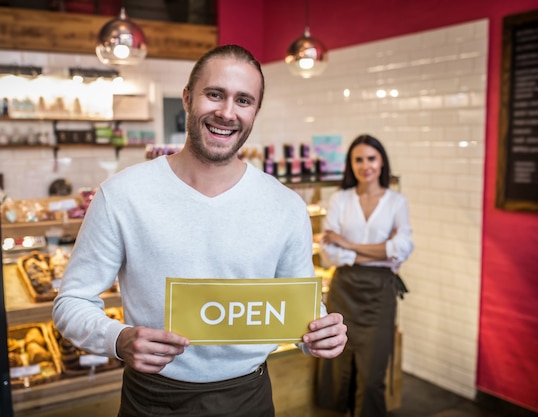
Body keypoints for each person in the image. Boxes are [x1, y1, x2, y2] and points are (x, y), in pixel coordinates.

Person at [52, 44, 347, 417]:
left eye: (243, 100)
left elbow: (301, 309)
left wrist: (320, 333)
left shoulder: (285, 206)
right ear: (188, 99)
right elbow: (71, 301)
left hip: (249, 397)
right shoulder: (123, 194)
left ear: (255, 111)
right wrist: (118, 338)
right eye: (214, 94)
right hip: (153, 399)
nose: (227, 112)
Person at [316, 134, 413, 417]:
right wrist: (381, 251)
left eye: (371, 158)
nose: (365, 165)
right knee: (336, 368)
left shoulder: (397, 201)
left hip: (380, 294)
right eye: (358, 159)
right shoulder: (340, 199)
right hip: (344, 288)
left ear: (381, 161)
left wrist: (348, 244)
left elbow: (402, 250)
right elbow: (328, 254)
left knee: (372, 376)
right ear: (350, 164)